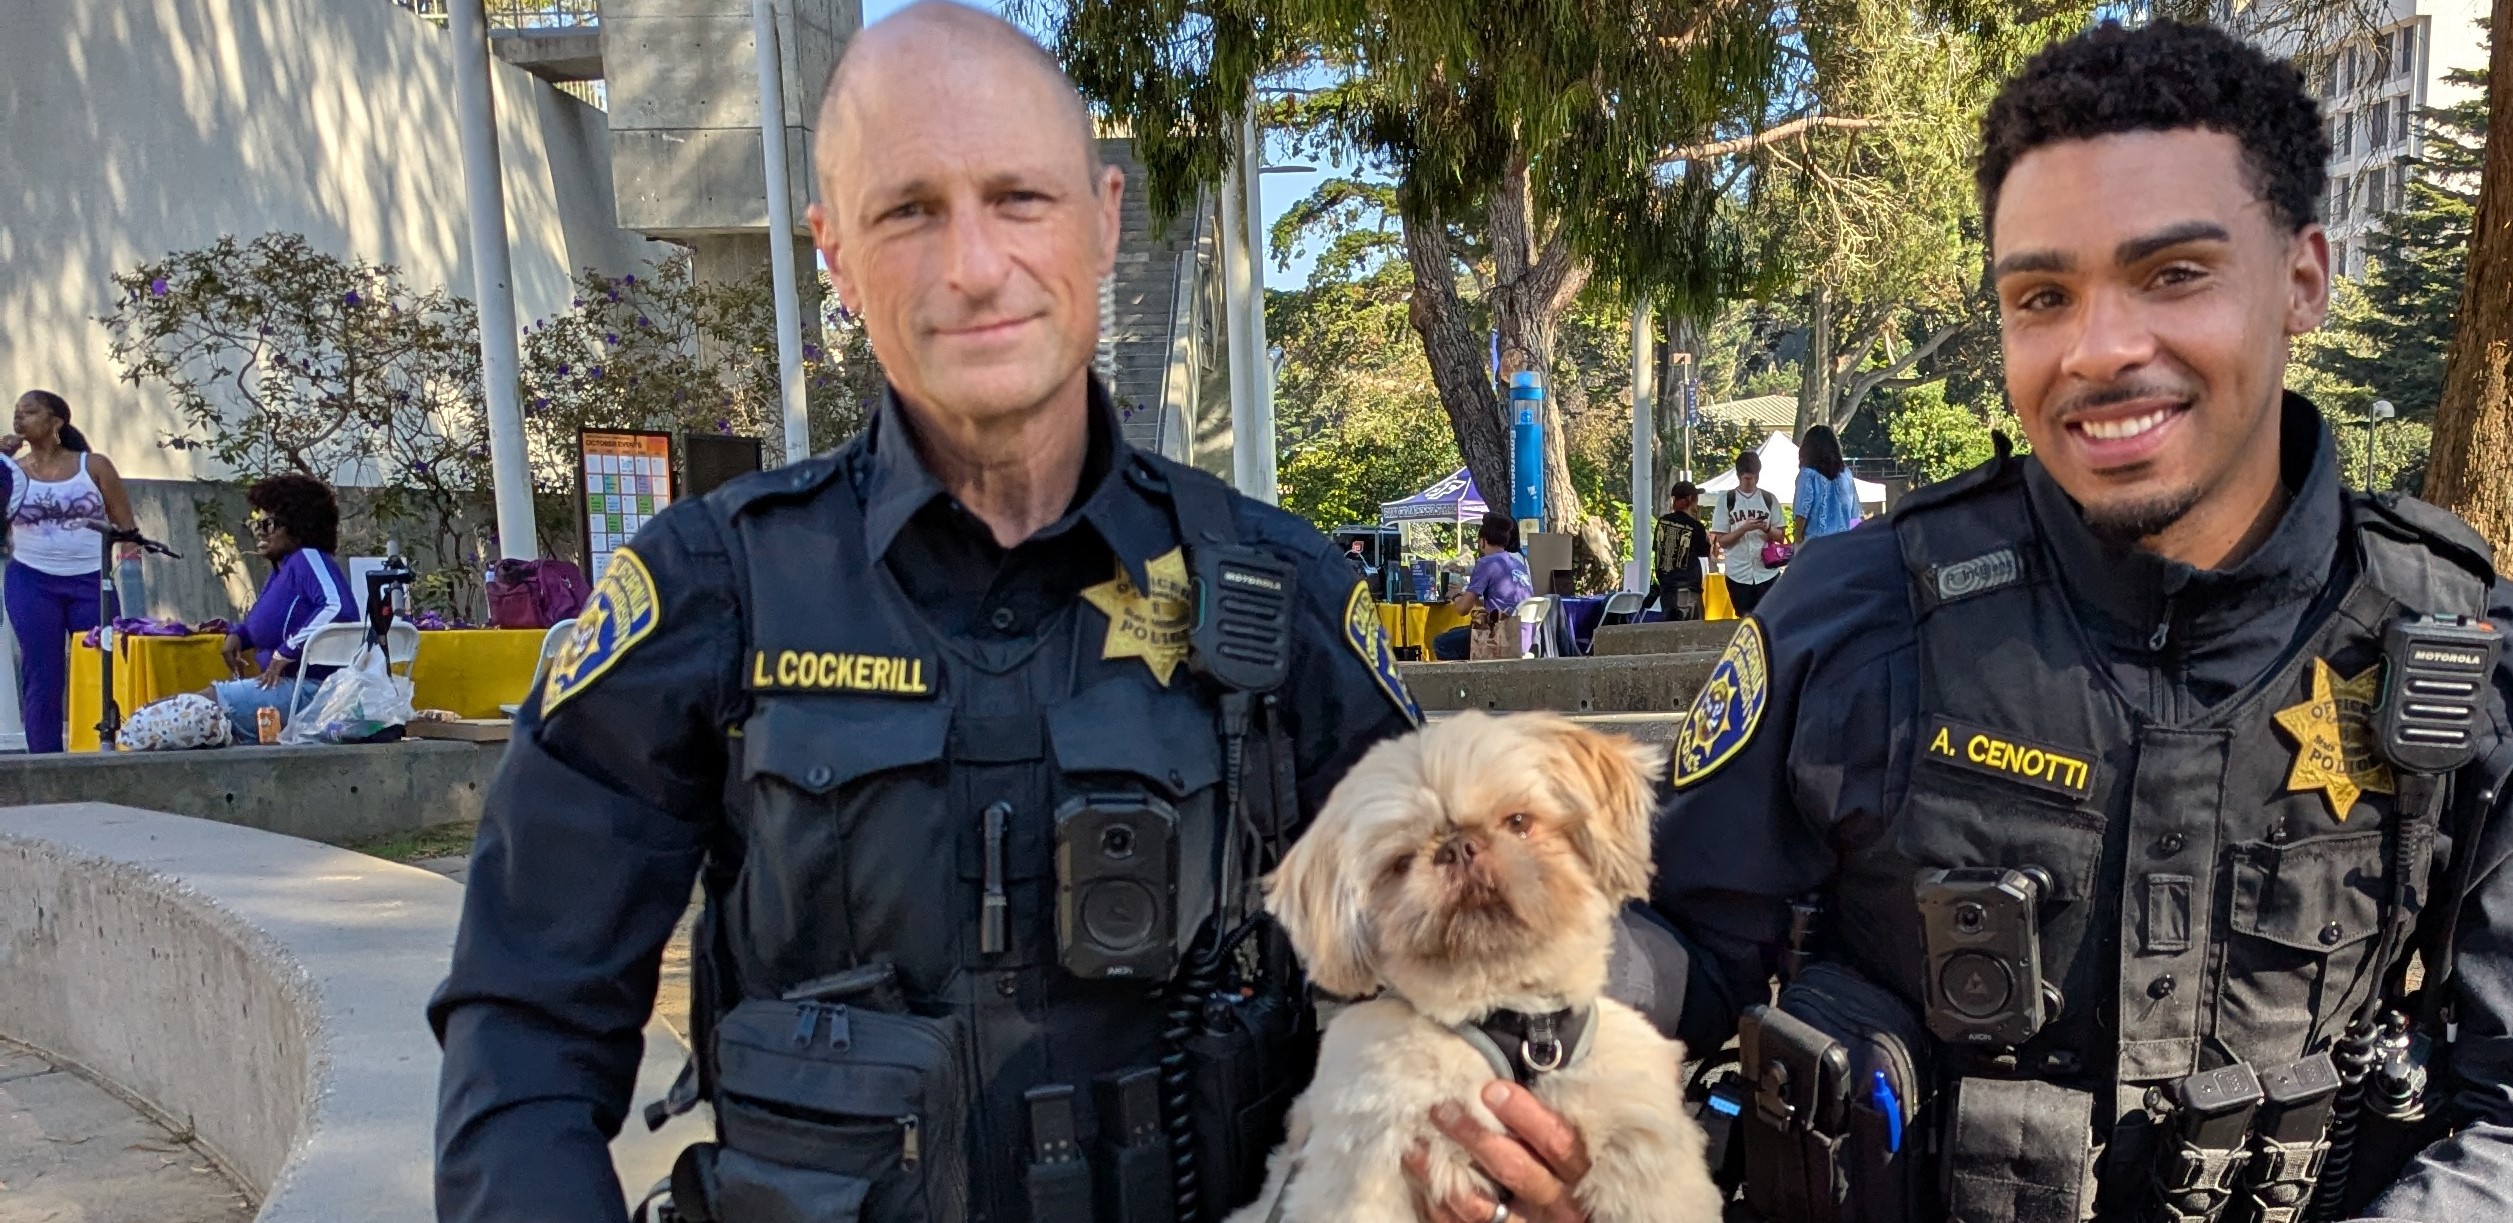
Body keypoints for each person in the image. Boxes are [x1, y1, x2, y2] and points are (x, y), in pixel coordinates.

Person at [1421, 22, 2513, 1223]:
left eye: (2174, 274)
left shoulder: (2485, 667)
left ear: (2304, 278)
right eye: (2043, 295)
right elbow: (1685, 935)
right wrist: (1520, 1042)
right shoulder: (1850, 619)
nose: (2101, 350)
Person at [427, 7, 1423, 1221]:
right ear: (834, 252)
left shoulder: (1280, 590)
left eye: (1020, 198)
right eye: (909, 210)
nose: (973, 264)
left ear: (1104, 219)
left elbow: (1457, 949)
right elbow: (528, 1019)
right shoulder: (709, 589)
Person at [4, 390, 139, 754]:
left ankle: (103, 749)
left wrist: (129, 580)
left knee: (102, 667)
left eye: (30, 412)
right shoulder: (12, 472)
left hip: (91, 579)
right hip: (31, 579)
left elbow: (127, 528)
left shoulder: (92, 466)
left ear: (56, 421)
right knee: (42, 674)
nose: (20, 419)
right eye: (17, 413)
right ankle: (44, 761)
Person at [202, 475, 357, 742]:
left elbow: (338, 607)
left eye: (269, 524)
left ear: (297, 526)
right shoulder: (283, 570)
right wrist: (239, 635)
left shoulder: (308, 558)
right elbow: (264, 624)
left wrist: (287, 650)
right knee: (181, 715)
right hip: (287, 690)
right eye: (257, 524)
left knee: (173, 714)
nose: (260, 531)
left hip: (311, 692)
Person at [1445, 515, 1533, 660]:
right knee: (1456, 634)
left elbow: (1462, 610)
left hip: (1503, 637)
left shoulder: (1487, 563)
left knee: (1442, 643)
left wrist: (1455, 595)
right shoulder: (1518, 562)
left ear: (1483, 541)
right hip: (1526, 636)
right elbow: (1500, 600)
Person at [1711, 450, 1786, 617]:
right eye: (1747, 478)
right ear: (1739, 476)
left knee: (1769, 617)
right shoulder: (1727, 500)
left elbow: (1781, 536)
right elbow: (1721, 541)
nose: (1751, 482)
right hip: (1738, 572)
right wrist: (1743, 528)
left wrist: (1765, 527)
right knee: (1745, 620)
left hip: (1767, 571)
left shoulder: (1768, 499)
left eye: (1754, 477)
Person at [1790, 424, 1864, 544]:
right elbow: (1855, 515)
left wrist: (1797, 538)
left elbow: (1802, 511)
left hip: (1815, 544)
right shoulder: (1846, 474)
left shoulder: (1808, 474)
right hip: (1842, 543)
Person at [1653, 481, 1711, 621]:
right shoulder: (1695, 526)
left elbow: (1658, 548)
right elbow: (1704, 552)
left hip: (1666, 590)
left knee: (1671, 634)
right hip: (1688, 590)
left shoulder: (1662, 522)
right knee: (1692, 636)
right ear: (1691, 499)